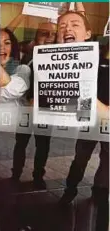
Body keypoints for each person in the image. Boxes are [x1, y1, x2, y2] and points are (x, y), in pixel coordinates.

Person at [57, 12, 109, 208]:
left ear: (88, 34)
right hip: (88, 120)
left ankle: (100, 193)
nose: (67, 29)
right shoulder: (55, 62)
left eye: (74, 25)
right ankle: (70, 191)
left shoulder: (100, 61)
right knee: (80, 158)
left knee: (107, 160)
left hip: (104, 119)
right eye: (62, 26)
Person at [10, 21, 57, 189]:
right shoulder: (27, 55)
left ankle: (38, 176)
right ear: (37, 35)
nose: (49, 37)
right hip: (26, 110)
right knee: (20, 143)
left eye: (53, 34)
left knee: (43, 145)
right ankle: (15, 174)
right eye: (44, 33)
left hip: (45, 111)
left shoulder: (59, 56)